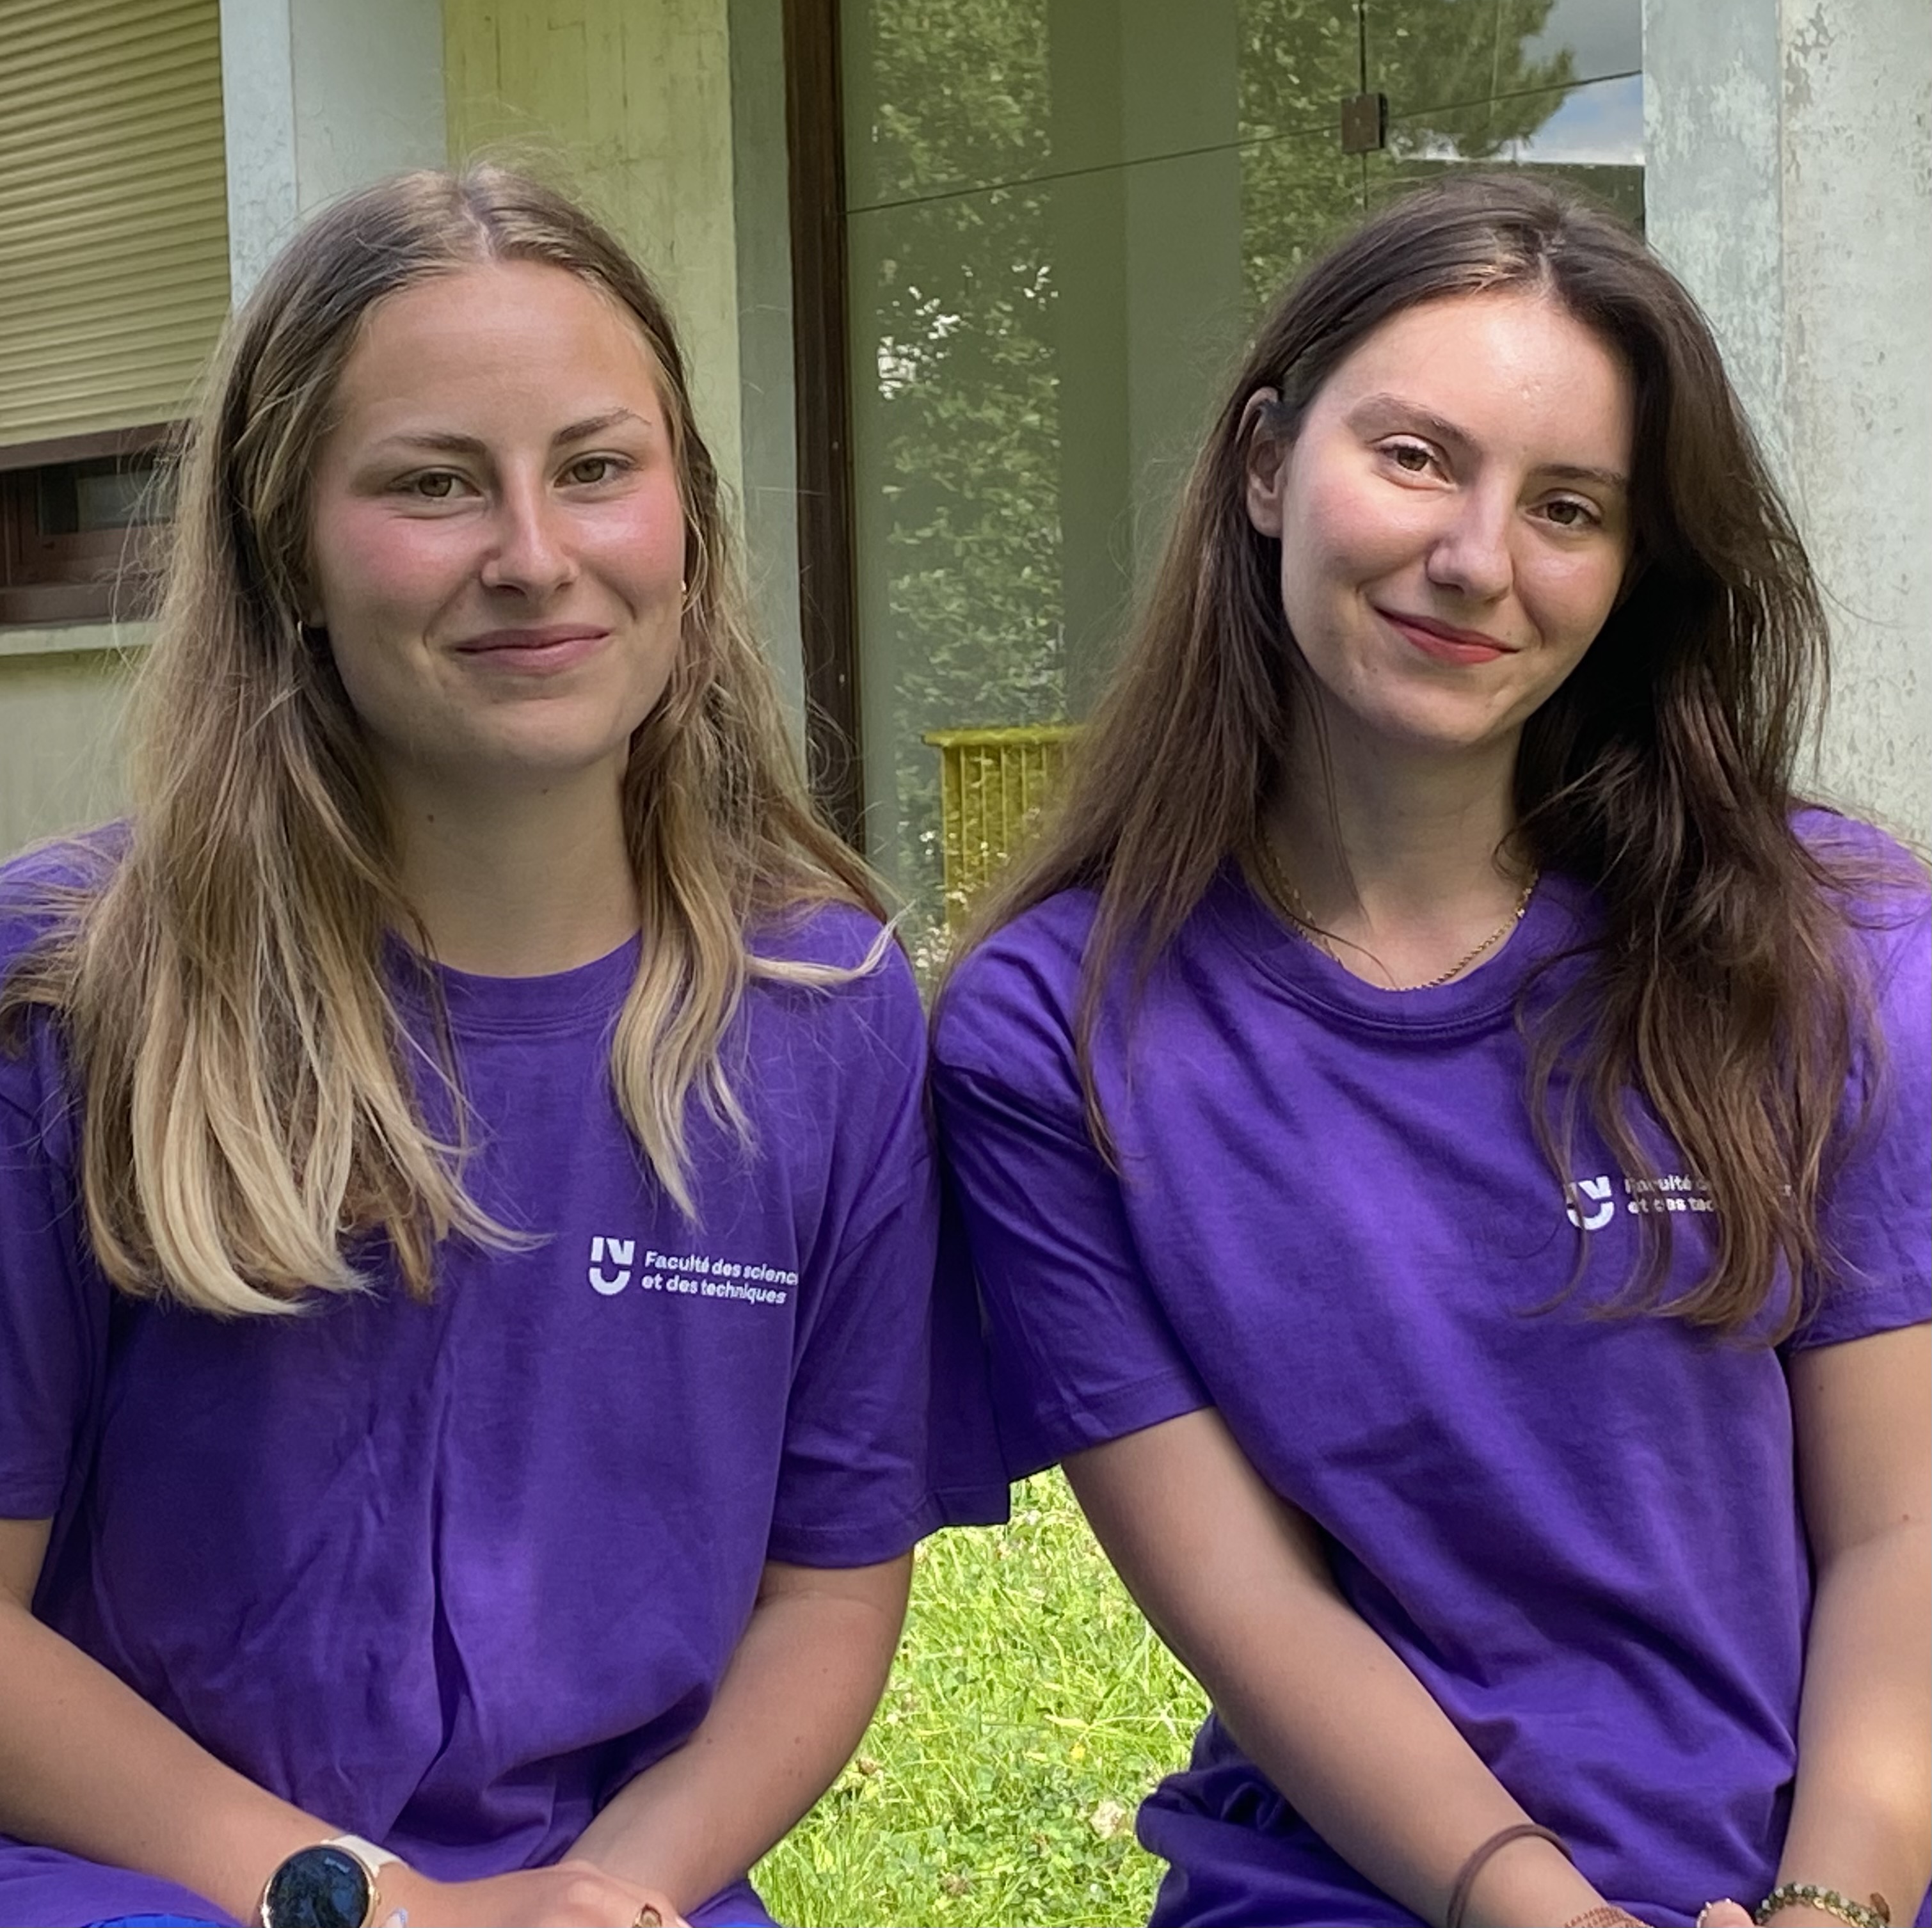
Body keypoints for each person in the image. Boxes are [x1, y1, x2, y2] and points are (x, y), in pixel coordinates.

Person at [0, 164, 1002, 1928]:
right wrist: (378, 1906)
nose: (532, 555)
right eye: (432, 483)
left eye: (596, 470)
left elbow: (828, 1596)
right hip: (155, 1879)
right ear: (283, 544)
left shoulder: (825, 1014)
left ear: (685, 515)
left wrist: (609, 1891)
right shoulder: (72, 992)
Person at [931, 173, 1929, 1928]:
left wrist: (1832, 1905)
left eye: (1567, 506)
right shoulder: (1055, 1033)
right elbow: (1253, 1611)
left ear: (1632, 570)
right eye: (1411, 457)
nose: (1477, 559)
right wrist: (1528, 1907)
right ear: (1262, 465)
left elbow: (1897, 1534)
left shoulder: (1827, 941)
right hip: (1366, 1880)